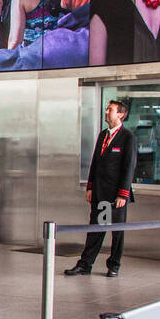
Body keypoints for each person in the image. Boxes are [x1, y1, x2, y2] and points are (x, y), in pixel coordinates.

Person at [66, 99, 137, 277]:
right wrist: (90, 187)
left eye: (110, 110)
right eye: (106, 109)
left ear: (121, 114)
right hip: (99, 193)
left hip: (116, 196)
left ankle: (114, 265)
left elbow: (129, 167)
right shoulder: (103, 135)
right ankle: (85, 264)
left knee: (117, 232)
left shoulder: (128, 137)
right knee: (95, 229)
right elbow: (95, 163)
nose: (107, 112)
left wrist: (123, 194)